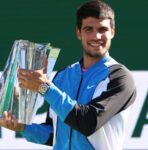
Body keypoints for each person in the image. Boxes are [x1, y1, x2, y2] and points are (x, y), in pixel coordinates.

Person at [0, 0, 136, 150]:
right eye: (88, 29)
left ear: (112, 32)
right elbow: (54, 134)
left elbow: (88, 123)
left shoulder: (120, 77)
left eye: (102, 29)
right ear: (78, 32)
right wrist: (23, 127)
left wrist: (45, 88)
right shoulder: (63, 75)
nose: (96, 36)